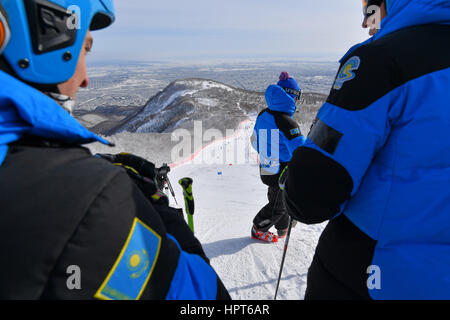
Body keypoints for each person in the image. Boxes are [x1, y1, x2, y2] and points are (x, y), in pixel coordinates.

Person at [0, 0, 230, 300]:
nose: (85, 79)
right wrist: (152, 205)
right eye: (85, 50)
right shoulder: (90, 200)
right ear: (47, 38)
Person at [283, 0, 450, 299]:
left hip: (376, 272)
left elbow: (310, 196)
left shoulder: (383, 60)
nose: (365, 21)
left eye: (369, 6)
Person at [250, 72, 305, 243]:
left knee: (276, 197)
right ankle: (258, 228)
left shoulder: (264, 114)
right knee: (279, 205)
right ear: (292, 96)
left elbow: (254, 141)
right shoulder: (286, 122)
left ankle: (282, 228)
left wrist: (267, 153)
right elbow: (301, 152)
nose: (297, 102)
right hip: (281, 170)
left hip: (266, 166)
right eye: (298, 97)